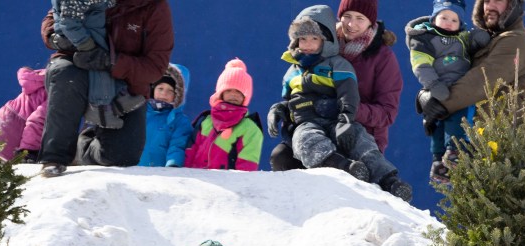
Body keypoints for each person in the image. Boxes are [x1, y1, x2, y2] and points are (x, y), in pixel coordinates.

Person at [267, 5, 412, 202]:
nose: (352, 24)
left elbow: (386, 113)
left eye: (360, 18)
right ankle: (312, 198)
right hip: (313, 126)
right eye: (347, 16)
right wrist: (282, 109)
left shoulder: (380, 58)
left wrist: (342, 111)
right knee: (284, 154)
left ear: (371, 22)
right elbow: (292, 96)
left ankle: (390, 182)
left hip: (356, 127)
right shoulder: (318, 41)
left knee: (361, 144)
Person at [37, 0, 174, 178]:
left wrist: (110, 61)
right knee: (66, 74)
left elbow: (155, 67)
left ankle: (83, 148)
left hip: (124, 83)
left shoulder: (154, 7)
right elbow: (56, 15)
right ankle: (54, 158)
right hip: (78, 65)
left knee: (123, 156)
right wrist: (55, 37)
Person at [415, 0, 525, 180]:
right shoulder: (481, 40)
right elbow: (450, 72)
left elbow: (482, 81)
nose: (490, 6)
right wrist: (427, 93)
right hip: (477, 145)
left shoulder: (517, 40)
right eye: (486, 1)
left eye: (498, 0)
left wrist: (439, 103)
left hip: (504, 151)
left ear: (514, 5)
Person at [405, 0, 490, 184]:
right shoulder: (425, 38)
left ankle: (452, 151)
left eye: (454, 20)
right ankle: (441, 157)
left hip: (459, 88)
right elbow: (421, 65)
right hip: (438, 87)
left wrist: (481, 36)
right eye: (444, 17)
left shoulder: (462, 37)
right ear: (434, 18)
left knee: (457, 118)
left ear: (460, 23)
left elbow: (476, 40)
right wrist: (433, 84)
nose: (448, 23)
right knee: (437, 124)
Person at [49, 0, 146, 131]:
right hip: (82, 33)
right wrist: (84, 43)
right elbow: (68, 21)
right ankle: (99, 107)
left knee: (107, 57)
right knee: (97, 63)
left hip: (91, 26)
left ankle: (116, 95)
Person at [184, 59, 263, 171]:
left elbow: (247, 169)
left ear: (245, 96)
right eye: (229, 90)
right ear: (221, 93)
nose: (233, 95)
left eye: (238, 91)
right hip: (197, 181)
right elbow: (189, 153)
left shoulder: (251, 129)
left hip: (225, 182)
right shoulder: (206, 121)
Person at [0, 67, 48, 164]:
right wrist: (28, 152)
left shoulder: (44, 77)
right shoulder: (59, 89)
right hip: (15, 129)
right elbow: (37, 122)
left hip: (2, 119)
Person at [138, 64, 193, 167]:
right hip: (135, 171)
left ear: (177, 95)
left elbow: (178, 146)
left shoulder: (180, 121)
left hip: (161, 173)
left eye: (170, 91)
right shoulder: (139, 114)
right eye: (160, 88)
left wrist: (173, 164)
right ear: (152, 90)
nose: (164, 93)